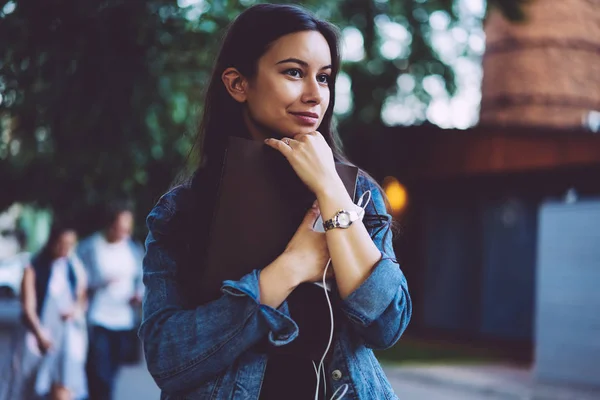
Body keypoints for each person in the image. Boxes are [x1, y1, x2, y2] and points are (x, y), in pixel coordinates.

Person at [139, 4, 412, 399]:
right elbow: (168, 358)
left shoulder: (360, 194)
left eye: (324, 77)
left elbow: (387, 325)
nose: (315, 94)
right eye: (294, 72)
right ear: (237, 84)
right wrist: (291, 267)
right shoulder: (181, 211)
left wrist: (330, 188)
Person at [76, 203, 144, 400]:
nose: (125, 232)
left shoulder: (132, 248)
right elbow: (79, 278)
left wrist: (138, 294)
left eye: (128, 228)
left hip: (123, 319)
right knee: (99, 370)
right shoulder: (91, 246)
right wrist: (99, 282)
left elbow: (140, 277)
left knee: (112, 370)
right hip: (98, 317)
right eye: (121, 227)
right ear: (111, 224)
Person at [20, 224, 88, 400]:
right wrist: (40, 335)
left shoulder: (73, 266)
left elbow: (82, 296)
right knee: (34, 387)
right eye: (62, 244)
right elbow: (28, 307)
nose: (65, 249)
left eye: (70, 245)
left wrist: (74, 310)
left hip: (67, 336)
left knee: (64, 384)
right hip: (40, 336)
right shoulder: (34, 267)